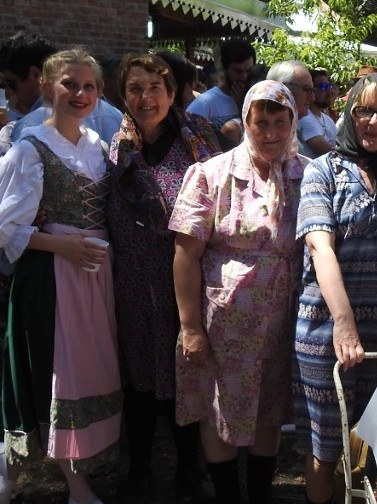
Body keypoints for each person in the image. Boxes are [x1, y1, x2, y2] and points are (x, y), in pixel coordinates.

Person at [169, 80, 307, 504]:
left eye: (279, 122)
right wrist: (190, 327)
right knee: (219, 410)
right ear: (245, 121)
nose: (270, 132)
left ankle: (261, 496)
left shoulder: (307, 173)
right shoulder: (211, 174)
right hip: (224, 323)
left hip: (283, 320)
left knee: (269, 409)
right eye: (260, 122)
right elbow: (185, 255)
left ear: (292, 122)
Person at [0, 48, 122, 504]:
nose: (80, 93)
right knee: (59, 377)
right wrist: (62, 245)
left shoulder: (98, 146)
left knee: (88, 373)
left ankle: (60, 471)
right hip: (53, 277)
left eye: (89, 86)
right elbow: (5, 227)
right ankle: (70, 485)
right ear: (48, 86)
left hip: (94, 276)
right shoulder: (29, 148)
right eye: (70, 83)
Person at [293, 73, 377, 504]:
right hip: (325, 332)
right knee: (326, 447)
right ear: (349, 113)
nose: (374, 122)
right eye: (364, 110)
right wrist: (343, 325)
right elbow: (320, 247)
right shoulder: (322, 171)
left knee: (375, 446)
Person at [106, 53, 222, 500]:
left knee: (186, 376)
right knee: (138, 381)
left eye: (155, 88)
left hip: (189, 281)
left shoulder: (200, 139)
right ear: (124, 95)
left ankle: (191, 470)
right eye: (135, 89)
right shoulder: (116, 148)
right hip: (135, 285)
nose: (145, 97)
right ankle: (139, 471)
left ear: (172, 94)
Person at [0, 31, 123, 146]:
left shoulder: (28, 127)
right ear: (47, 88)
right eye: (70, 84)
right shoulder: (114, 114)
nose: (8, 92)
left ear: (35, 75)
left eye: (10, 82)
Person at [186, 39, 255, 129]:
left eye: (248, 71)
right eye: (238, 71)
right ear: (224, 68)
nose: (244, 77)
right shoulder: (204, 104)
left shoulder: (259, 99)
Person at [298, 68, 338, 157]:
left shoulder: (327, 119)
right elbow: (328, 153)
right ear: (311, 89)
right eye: (323, 87)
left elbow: (340, 144)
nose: (329, 92)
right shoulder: (304, 118)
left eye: (330, 86)